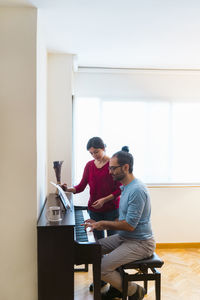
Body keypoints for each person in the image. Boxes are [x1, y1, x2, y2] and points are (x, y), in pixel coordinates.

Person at [84, 147, 156, 300]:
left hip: (141, 243)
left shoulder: (137, 190)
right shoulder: (126, 187)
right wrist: (98, 223)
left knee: (103, 268)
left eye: (113, 168)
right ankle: (118, 287)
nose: (109, 172)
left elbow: (129, 225)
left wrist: (103, 223)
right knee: (94, 250)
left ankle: (134, 291)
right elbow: (122, 220)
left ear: (125, 167)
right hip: (126, 238)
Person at [62, 137, 121, 240]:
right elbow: (80, 187)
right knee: (97, 243)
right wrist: (67, 189)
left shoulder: (114, 165)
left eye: (96, 152)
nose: (94, 155)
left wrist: (104, 200)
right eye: (91, 153)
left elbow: (120, 189)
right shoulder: (89, 165)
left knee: (113, 241)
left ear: (104, 148)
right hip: (94, 211)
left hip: (112, 210)